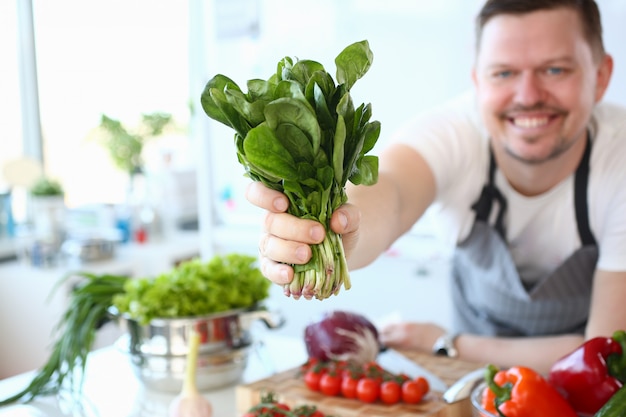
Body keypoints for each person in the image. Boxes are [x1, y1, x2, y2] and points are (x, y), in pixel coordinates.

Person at [246, 0, 626, 373]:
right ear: (477, 80)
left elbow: (607, 356)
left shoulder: (619, 158)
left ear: (601, 76)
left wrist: (450, 345)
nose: (527, 96)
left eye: (555, 70)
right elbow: (390, 192)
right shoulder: (452, 134)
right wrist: (337, 231)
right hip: (474, 392)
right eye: (503, 73)